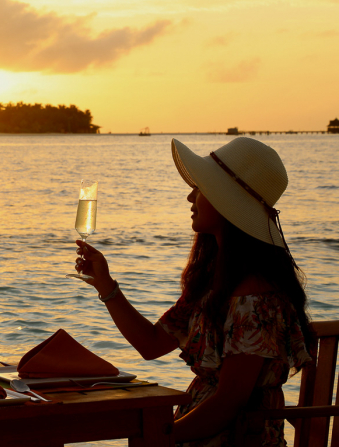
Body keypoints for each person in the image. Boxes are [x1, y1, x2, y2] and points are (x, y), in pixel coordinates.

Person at [74, 137, 313, 446]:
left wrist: (158, 439)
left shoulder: (255, 299)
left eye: (200, 188)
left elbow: (228, 404)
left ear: (227, 203)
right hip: (200, 430)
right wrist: (106, 284)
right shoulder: (215, 283)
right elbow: (152, 344)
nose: (190, 196)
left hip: (233, 438)